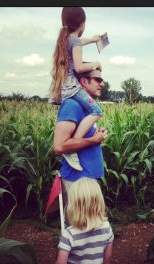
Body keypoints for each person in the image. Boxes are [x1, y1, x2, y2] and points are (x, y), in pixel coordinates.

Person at [50, 7, 104, 171]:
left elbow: (80, 42)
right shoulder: (73, 42)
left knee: (93, 111)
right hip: (72, 86)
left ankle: (74, 143)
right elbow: (79, 67)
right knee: (96, 110)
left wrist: (93, 40)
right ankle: (72, 149)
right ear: (82, 23)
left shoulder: (66, 39)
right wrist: (96, 63)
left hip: (64, 86)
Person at [55, 177, 114, 264]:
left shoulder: (69, 234)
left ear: (73, 205)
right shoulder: (107, 228)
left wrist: (56, 262)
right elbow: (108, 258)